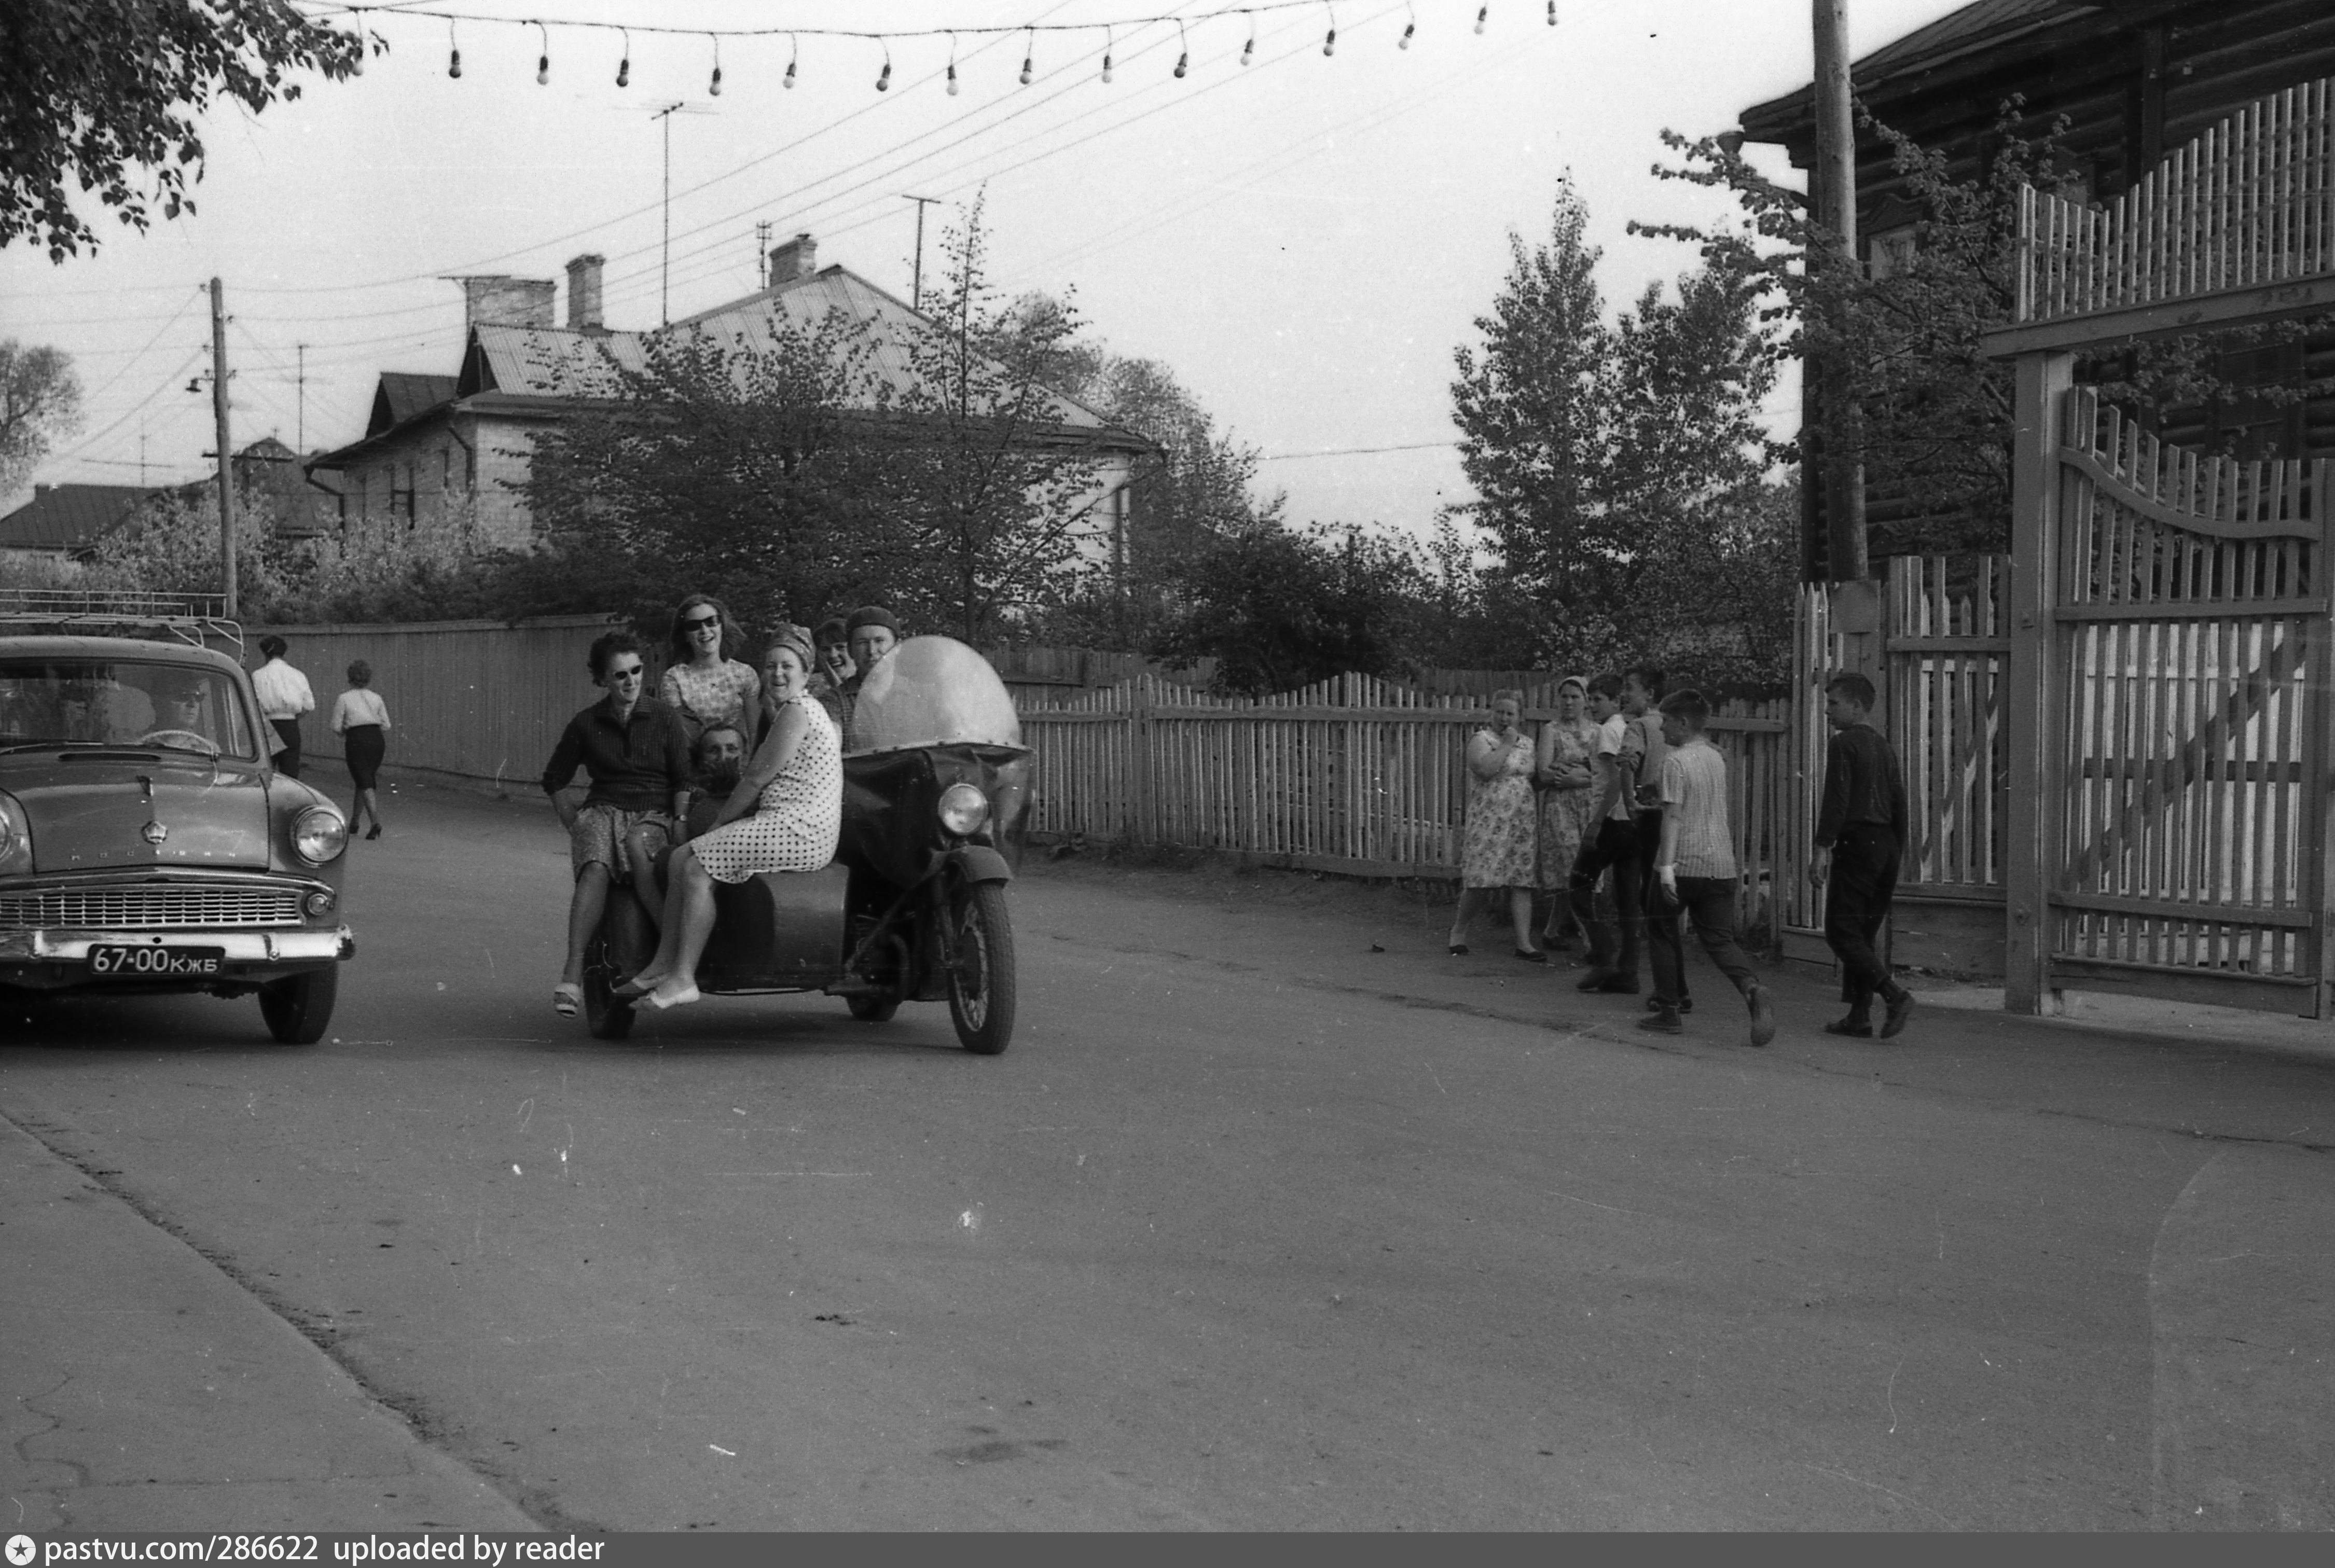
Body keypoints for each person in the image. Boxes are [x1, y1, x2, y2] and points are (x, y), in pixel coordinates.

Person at [618, 625, 842, 1010]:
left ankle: (684, 977)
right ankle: (662, 965)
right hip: (792, 824)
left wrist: (721, 824)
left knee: (694, 867)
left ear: (806, 673)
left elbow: (755, 776)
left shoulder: (798, 710)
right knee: (680, 856)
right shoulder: (798, 709)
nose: (777, 674)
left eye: (787, 666)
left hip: (800, 829)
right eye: (770, 666)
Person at [540, 632, 691, 1018]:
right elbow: (554, 778)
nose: (630, 681)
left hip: (652, 813)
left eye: (636, 671)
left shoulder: (663, 716)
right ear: (602, 679)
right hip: (603, 809)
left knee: (641, 848)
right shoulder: (586, 723)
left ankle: (669, 955)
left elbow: (684, 778)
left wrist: (680, 820)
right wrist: (574, 823)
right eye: (620, 675)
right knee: (594, 866)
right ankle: (572, 972)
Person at [1638, 690, 1777, 1046]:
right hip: (1721, 864)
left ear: (1682, 723)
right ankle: (1750, 986)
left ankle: (1669, 1008)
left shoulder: (1674, 761)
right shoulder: (1716, 758)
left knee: (1662, 930)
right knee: (1718, 938)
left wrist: (1666, 867)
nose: (1662, 729)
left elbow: (1673, 815)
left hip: (1684, 861)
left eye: (1666, 721)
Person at [1811, 672, 1915, 1039]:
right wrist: (1895, 852)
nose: (1827, 710)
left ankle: (1894, 995)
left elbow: (1836, 802)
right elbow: (1900, 803)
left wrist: (1821, 849)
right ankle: (1858, 1016)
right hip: (1885, 845)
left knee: (1841, 931)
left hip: (1858, 844)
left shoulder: (1844, 743)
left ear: (1856, 706)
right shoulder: (1883, 746)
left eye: (1833, 703)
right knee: (1863, 933)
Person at [623, 721, 748, 928]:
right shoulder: (692, 790)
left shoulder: (753, 787)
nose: (723, 757)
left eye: (732, 749)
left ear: (745, 755)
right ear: (701, 758)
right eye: (713, 750)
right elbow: (682, 838)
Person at [1448, 690, 1543, 960]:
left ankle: (1524, 943)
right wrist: (1507, 744)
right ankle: (1459, 930)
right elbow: (1486, 770)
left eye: (1510, 713)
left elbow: (1532, 778)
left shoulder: (1528, 744)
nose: (1504, 718)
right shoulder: (1482, 739)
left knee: (1522, 880)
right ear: (1492, 713)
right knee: (1480, 880)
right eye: (1499, 712)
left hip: (1520, 819)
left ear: (1520, 717)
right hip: (1489, 817)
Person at [1570, 674, 1647, 993]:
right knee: (1628, 897)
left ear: (1616, 702)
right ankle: (1628, 971)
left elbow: (1616, 780)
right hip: (1631, 822)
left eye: (1599, 699)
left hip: (1613, 821)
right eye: (1591, 698)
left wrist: (1596, 823)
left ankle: (1603, 956)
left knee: (1578, 884)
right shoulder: (1625, 729)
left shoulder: (1607, 731)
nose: (1591, 704)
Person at [1624, 665, 1690, 1015]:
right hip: (1674, 820)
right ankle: (1677, 987)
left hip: (1651, 819)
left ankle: (1672, 993)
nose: (1625, 695)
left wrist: (1628, 801)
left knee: (1654, 909)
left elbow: (1627, 764)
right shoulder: (1675, 731)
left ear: (1649, 693)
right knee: (1663, 909)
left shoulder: (1638, 727)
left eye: (1630, 688)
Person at [1532, 675, 1601, 952]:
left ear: (1586, 700)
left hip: (1589, 806)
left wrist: (1578, 777)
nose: (1569, 702)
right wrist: (1571, 770)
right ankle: (1591, 941)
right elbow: (1545, 772)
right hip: (1560, 808)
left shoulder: (1597, 732)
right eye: (1565, 696)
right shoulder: (1551, 731)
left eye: (1575, 696)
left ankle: (1551, 932)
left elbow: (1603, 772)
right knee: (1573, 869)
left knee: (1578, 872)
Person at [656, 593, 761, 743]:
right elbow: (679, 735)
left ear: (722, 626)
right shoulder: (674, 679)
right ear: (685, 635)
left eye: (711, 622)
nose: (704, 630)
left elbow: (755, 733)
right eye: (694, 626)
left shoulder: (745, 674)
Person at [331, 660, 392, 840]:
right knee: (365, 779)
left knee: (363, 780)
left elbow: (335, 726)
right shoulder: (377, 698)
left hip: (356, 739)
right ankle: (355, 822)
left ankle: (375, 821)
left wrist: (345, 732)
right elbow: (387, 725)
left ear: (349, 678)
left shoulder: (344, 698)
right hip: (376, 739)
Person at [251, 635, 316, 779]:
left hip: (267, 726)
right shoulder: (298, 675)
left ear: (265, 653)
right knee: (291, 775)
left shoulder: (258, 676)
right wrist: (293, 718)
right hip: (291, 726)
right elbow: (309, 706)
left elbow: (253, 705)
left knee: (265, 773)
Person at [836, 605, 902, 745]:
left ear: (897, 647)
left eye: (880, 641)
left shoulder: (923, 695)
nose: (871, 651)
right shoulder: (836, 702)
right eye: (862, 643)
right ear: (850, 651)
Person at [806, 616, 855, 727]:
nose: (833, 655)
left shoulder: (869, 685)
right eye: (826, 649)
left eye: (840, 647)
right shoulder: (809, 688)